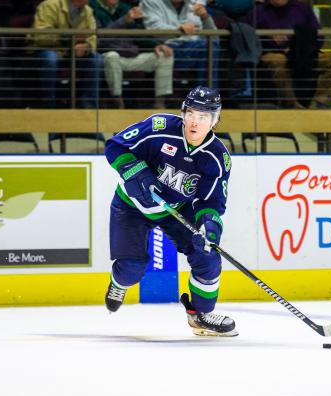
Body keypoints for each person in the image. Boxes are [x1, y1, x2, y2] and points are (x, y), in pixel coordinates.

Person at [104, 85, 237, 337]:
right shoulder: (159, 127)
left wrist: (209, 225)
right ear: (183, 112)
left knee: (207, 256)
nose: (195, 122)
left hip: (174, 210)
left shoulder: (217, 157)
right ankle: (118, 283)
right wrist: (135, 171)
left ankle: (200, 315)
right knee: (131, 269)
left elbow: (212, 201)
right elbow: (115, 146)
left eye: (204, 117)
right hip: (132, 205)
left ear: (215, 120)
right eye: (191, 114)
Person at [243, 0, 331, 108]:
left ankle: (319, 102)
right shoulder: (257, 12)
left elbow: (319, 35)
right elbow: (247, 37)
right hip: (273, 52)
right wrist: (269, 38)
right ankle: (291, 104)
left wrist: (299, 42)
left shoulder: (303, 8)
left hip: (303, 51)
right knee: (277, 61)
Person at [90, 0, 174, 108]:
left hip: (131, 54)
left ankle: (159, 103)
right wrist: (123, 21)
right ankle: (119, 103)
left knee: (164, 56)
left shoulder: (126, 7)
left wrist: (155, 45)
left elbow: (139, 35)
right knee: (112, 56)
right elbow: (98, 39)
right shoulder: (93, 7)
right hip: (108, 55)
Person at [28, 0, 101, 108]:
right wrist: (69, 37)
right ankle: (48, 106)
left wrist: (87, 47)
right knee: (50, 58)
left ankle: (88, 106)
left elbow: (93, 37)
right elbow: (41, 36)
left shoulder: (88, 11)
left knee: (96, 59)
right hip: (47, 50)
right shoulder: (49, 5)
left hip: (72, 54)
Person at [141, 0, 220, 89]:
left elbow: (215, 37)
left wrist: (205, 17)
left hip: (195, 47)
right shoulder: (150, 2)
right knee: (208, 48)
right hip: (165, 47)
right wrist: (178, 30)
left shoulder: (193, 3)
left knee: (211, 46)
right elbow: (153, 28)